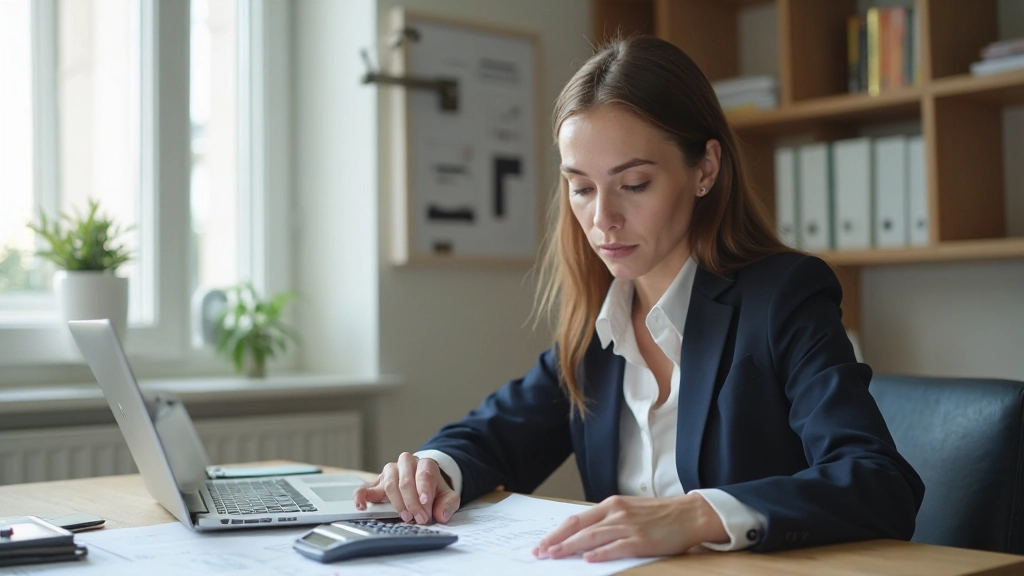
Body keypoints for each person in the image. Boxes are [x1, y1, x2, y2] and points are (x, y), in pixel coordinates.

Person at [353, 35, 924, 562]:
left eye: (634, 184)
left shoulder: (783, 297)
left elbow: (879, 481)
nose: (603, 219)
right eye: (581, 188)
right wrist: (433, 469)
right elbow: (493, 435)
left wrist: (697, 514)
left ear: (705, 168)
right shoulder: (598, 328)